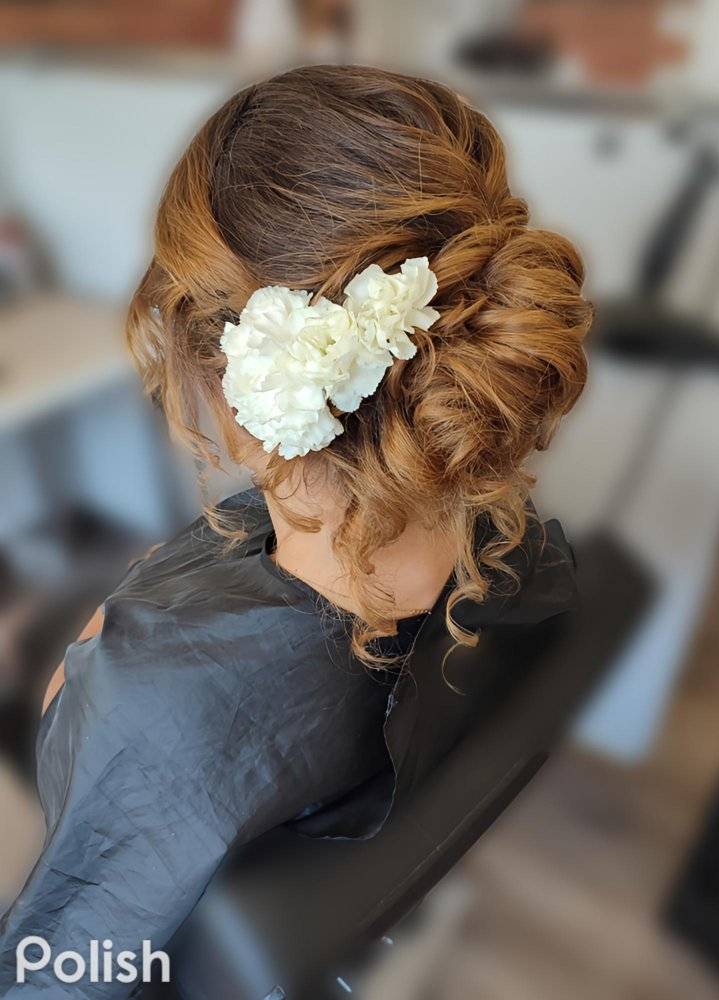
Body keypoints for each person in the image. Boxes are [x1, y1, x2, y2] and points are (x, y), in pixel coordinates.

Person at [0, 64, 591, 997]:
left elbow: (61, 972)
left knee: (34, 645)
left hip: (157, 789)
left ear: (230, 373)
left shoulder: (151, 708)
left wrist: (90, 685)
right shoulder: (522, 557)